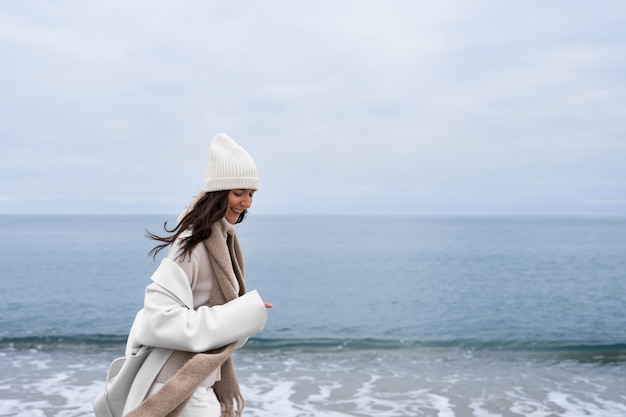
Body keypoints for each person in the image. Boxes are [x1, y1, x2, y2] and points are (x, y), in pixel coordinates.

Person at [124, 133, 272, 417]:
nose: (247, 203)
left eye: (251, 194)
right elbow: (158, 320)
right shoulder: (191, 244)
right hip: (177, 384)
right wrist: (242, 315)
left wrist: (242, 315)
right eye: (239, 193)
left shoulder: (222, 241)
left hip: (198, 381)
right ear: (219, 194)